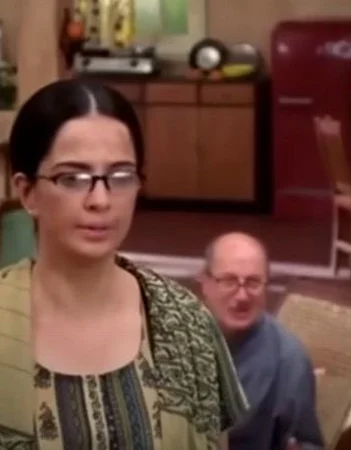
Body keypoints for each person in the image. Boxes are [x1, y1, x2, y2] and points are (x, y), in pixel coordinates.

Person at [0, 79, 248, 449]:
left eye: (120, 176)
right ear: (27, 192)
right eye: (73, 178)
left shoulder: (184, 322)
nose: (101, 200)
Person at [197, 232, 325, 450]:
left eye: (253, 283)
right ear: (205, 283)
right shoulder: (172, 334)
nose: (242, 296)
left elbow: (308, 443)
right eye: (229, 281)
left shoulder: (288, 360)